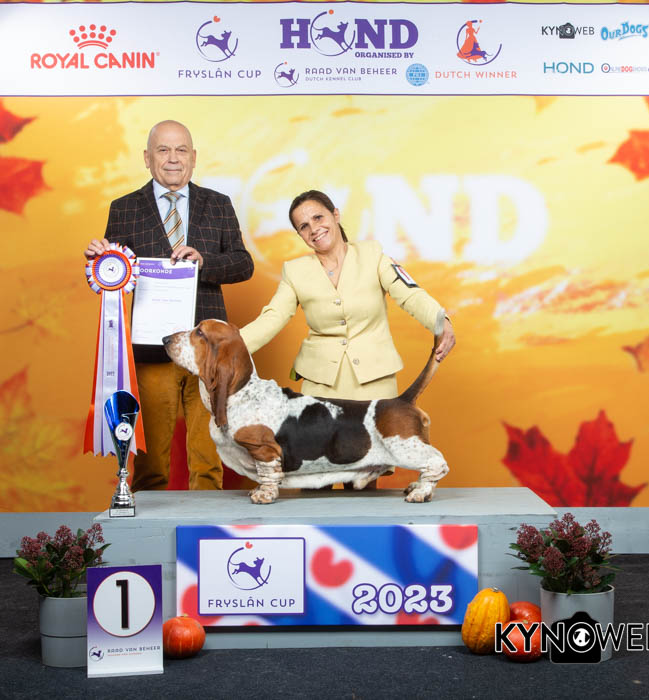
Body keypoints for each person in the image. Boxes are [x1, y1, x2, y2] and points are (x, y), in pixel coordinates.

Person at [239, 190, 455, 486]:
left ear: (335, 215)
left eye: (319, 217)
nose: (314, 229)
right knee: (315, 481)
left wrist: (440, 321)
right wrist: (227, 347)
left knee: (364, 483)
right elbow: (272, 318)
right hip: (320, 391)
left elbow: (409, 294)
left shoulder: (374, 256)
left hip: (374, 386)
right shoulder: (295, 271)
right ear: (300, 235)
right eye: (304, 226)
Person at [84, 120, 253, 491]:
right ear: (147, 158)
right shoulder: (124, 209)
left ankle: (206, 523)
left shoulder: (218, 204)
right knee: (151, 461)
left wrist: (205, 261)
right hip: (152, 350)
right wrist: (101, 262)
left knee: (208, 459)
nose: (173, 158)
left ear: (193, 157)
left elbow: (244, 265)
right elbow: (113, 278)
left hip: (209, 353)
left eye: (181, 150)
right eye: (163, 150)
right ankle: (149, 524)